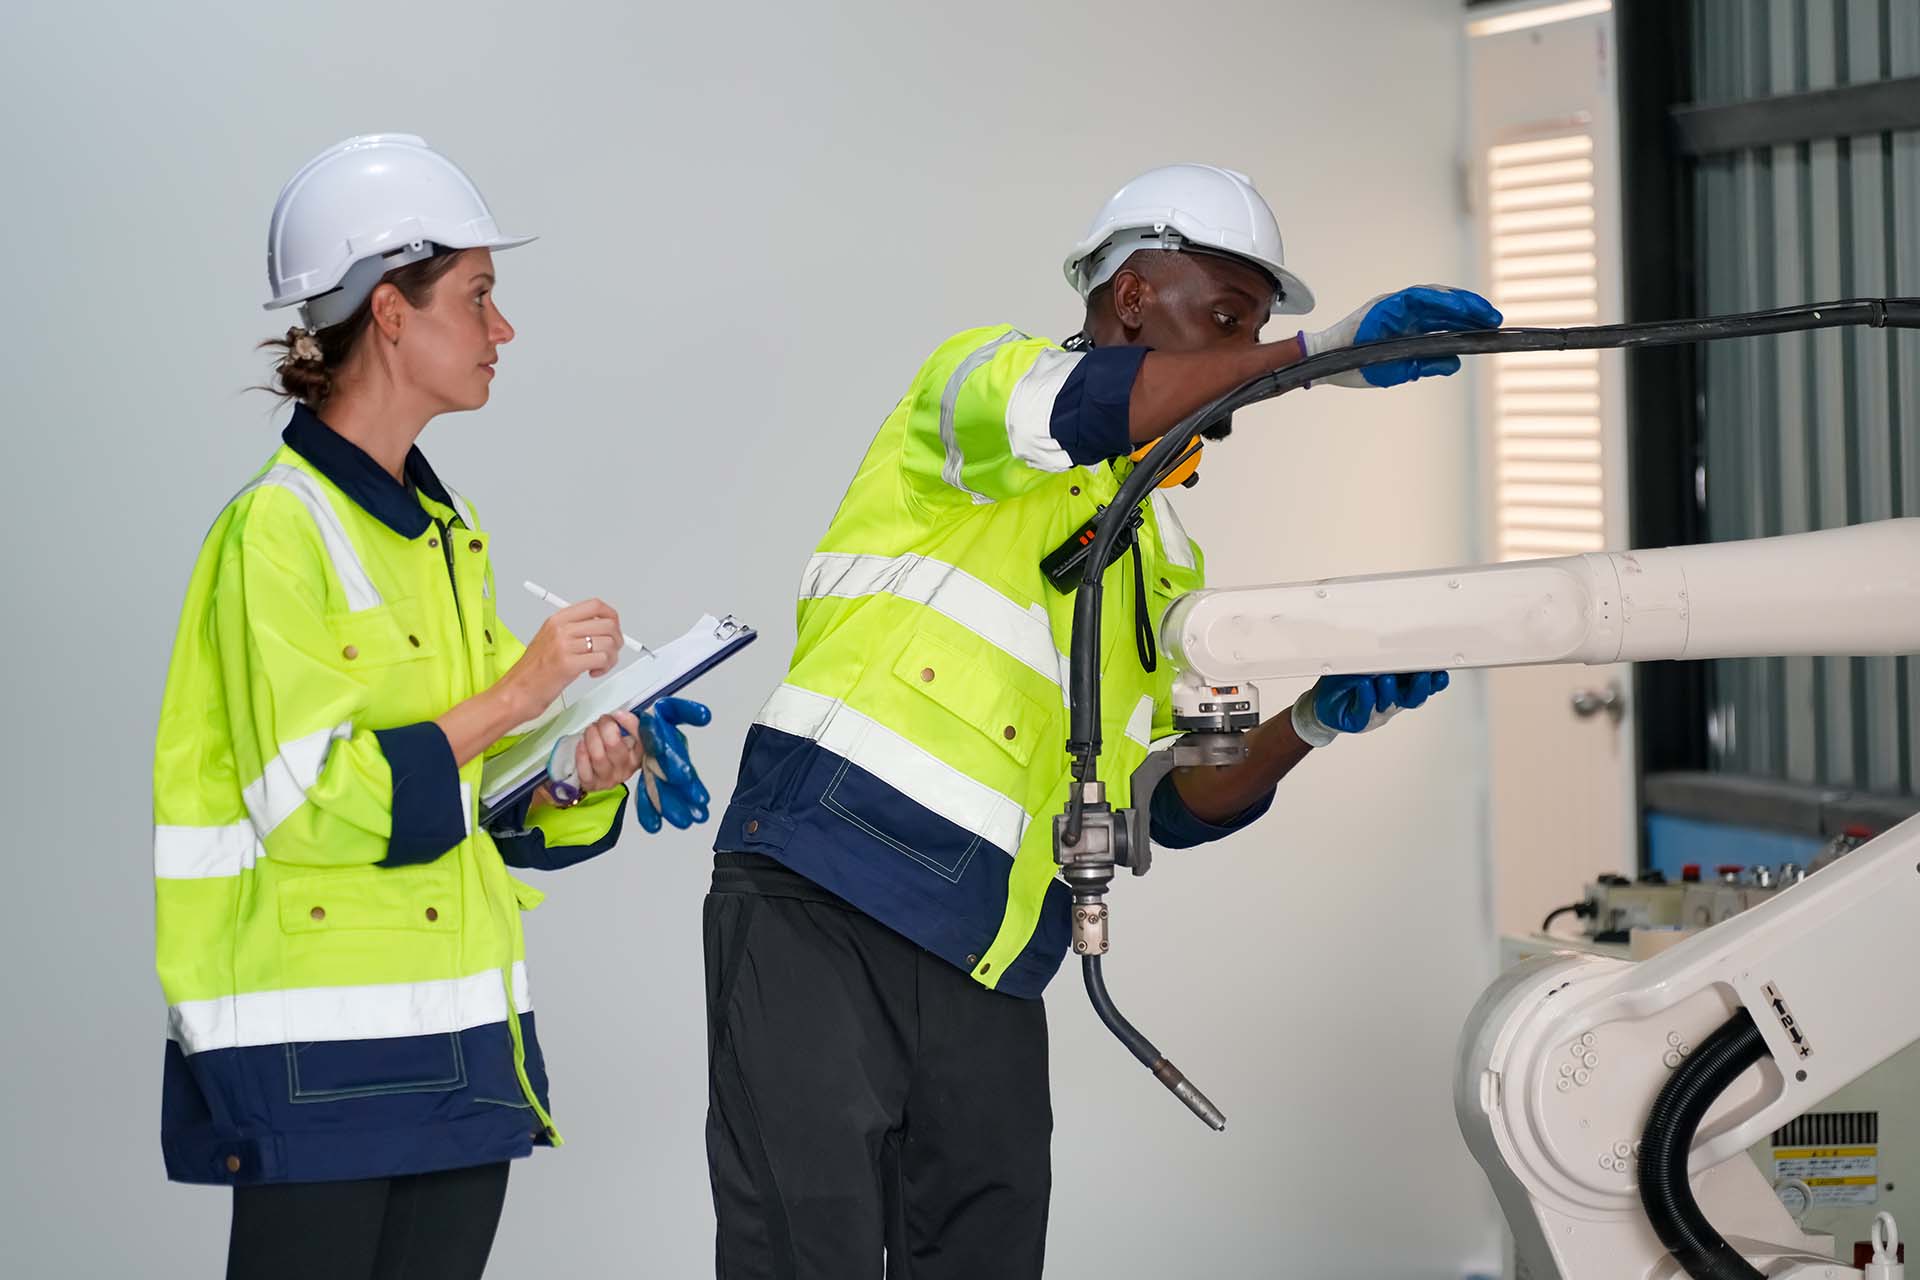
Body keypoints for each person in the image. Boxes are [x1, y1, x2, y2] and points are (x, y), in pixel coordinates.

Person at [700, 162, 1498, 1278]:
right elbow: (1079, 411)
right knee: (804, 1251)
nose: (1237, 355)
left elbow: (1175, 795)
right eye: (1224, 321)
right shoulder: (981, 387)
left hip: (991, 949)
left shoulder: (1168, 554)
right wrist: (1317, 356)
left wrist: (1309, 723)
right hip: (824, 896)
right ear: (1131, 298)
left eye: (1254, 332)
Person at [150, 133, 709, 1280]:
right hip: (317, 1062)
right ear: (391, 315)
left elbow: (480, 797)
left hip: (453, 1055)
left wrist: (577, 767)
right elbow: (313, 800)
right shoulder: (278, 533)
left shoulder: (439, 538)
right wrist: (522, 690)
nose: (503, 330)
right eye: (480, 297)